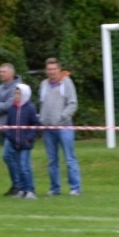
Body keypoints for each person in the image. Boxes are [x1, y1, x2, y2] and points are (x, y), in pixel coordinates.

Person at [39, 57, 81, 196]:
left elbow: (73, 104)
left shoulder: (66, 83)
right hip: (48, 129)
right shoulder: (43, 84)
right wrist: (42, 120)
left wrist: (62, 117)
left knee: (69, 158)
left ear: (59, 69)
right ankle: (55, 188)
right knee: (52, 160)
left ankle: (75, 187)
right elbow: (42, 104)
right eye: (49, 69)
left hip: (64, 127)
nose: (51, 72)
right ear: (46, 70)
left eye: (54, 69)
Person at [4, 84, 40, 199]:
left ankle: (30, 190)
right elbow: (8, 125)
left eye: (19, 93)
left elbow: (35, 125)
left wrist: (28, 138)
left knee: (25, 166)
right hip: (15, 143)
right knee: (19, 167)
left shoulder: (30, 108)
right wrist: (10, 136)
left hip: (26, 143)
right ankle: (22, 189)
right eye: (15, 93)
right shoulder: (12, 108)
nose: (17, 96)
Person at [0, 63, 22, 196]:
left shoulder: (17, 87)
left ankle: (18, 184)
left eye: (4, 71)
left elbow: (10, 105)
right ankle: (16, 185)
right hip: (2, 128)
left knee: (8, 155)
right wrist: (0, 106)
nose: (1, 74)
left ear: (11, 73)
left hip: (13, 128)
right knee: (11, 157)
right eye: (0, 71)